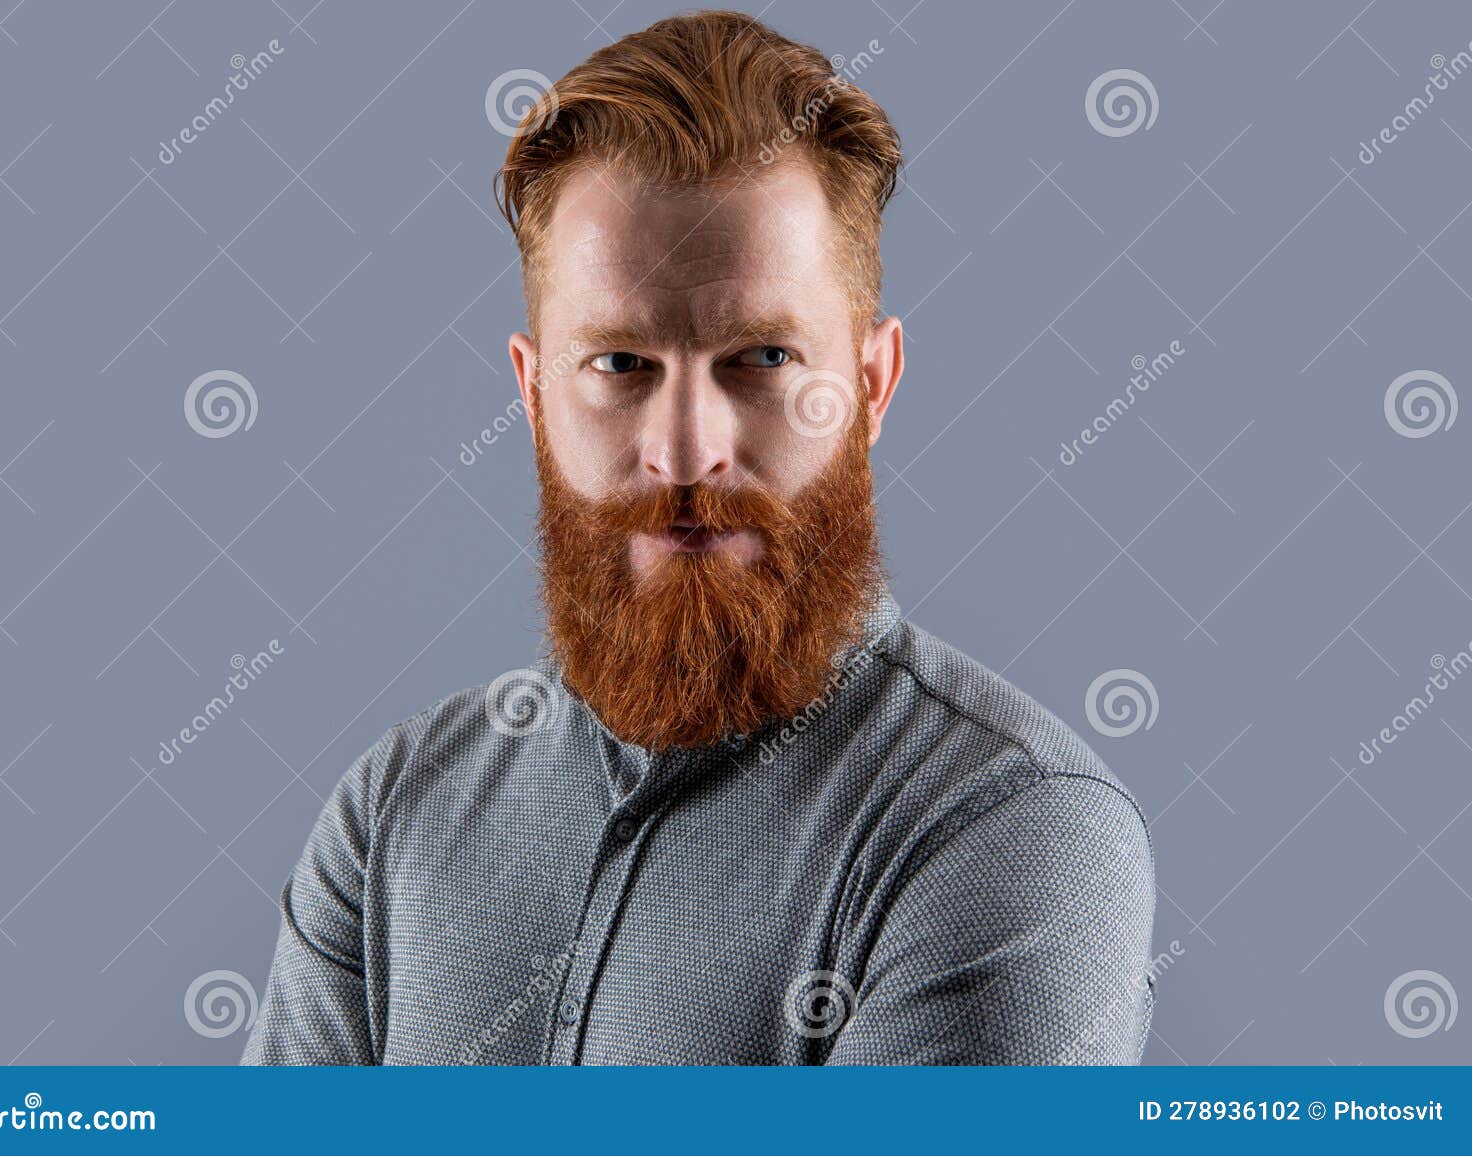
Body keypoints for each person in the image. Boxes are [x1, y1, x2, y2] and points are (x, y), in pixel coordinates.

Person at [243, 8, 1155, 1066]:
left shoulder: (1012, 831)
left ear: (868, 386)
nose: (683, 451)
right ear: (535, 394)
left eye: (761, 359)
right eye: (620, 364)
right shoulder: (393, 814)